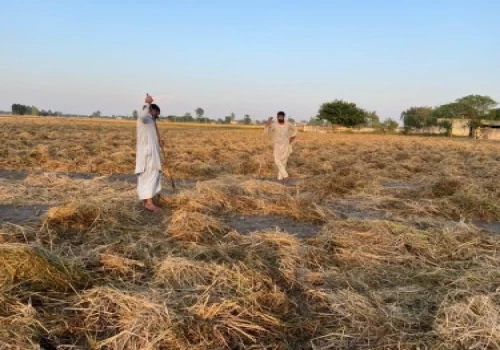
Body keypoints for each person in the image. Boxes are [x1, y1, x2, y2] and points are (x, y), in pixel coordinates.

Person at [135, 94, 163, 212]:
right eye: (157, 113)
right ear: (153, 110)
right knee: (149, 176)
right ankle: (149, 203)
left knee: (150, 176)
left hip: (151, 154)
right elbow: (142, 115)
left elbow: (150, 138)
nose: (157, 116)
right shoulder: (145, 118)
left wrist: (159, 142)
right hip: (147, 155)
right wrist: (147, 103)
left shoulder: (150, 121)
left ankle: (147, 201)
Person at [264, 111, 297, 184]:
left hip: (285, 144)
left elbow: (295, 130)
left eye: (281, 117)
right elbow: (266, 133)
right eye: (279, 117)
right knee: (277, 160)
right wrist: (268, 123)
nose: (280, 118)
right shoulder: (274, 124)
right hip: (277, 145)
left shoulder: (288, 124)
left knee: (284, 162)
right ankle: (286, 176)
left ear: (284, 117)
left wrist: (292, 137)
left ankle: (280, 179)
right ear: (277, 117)